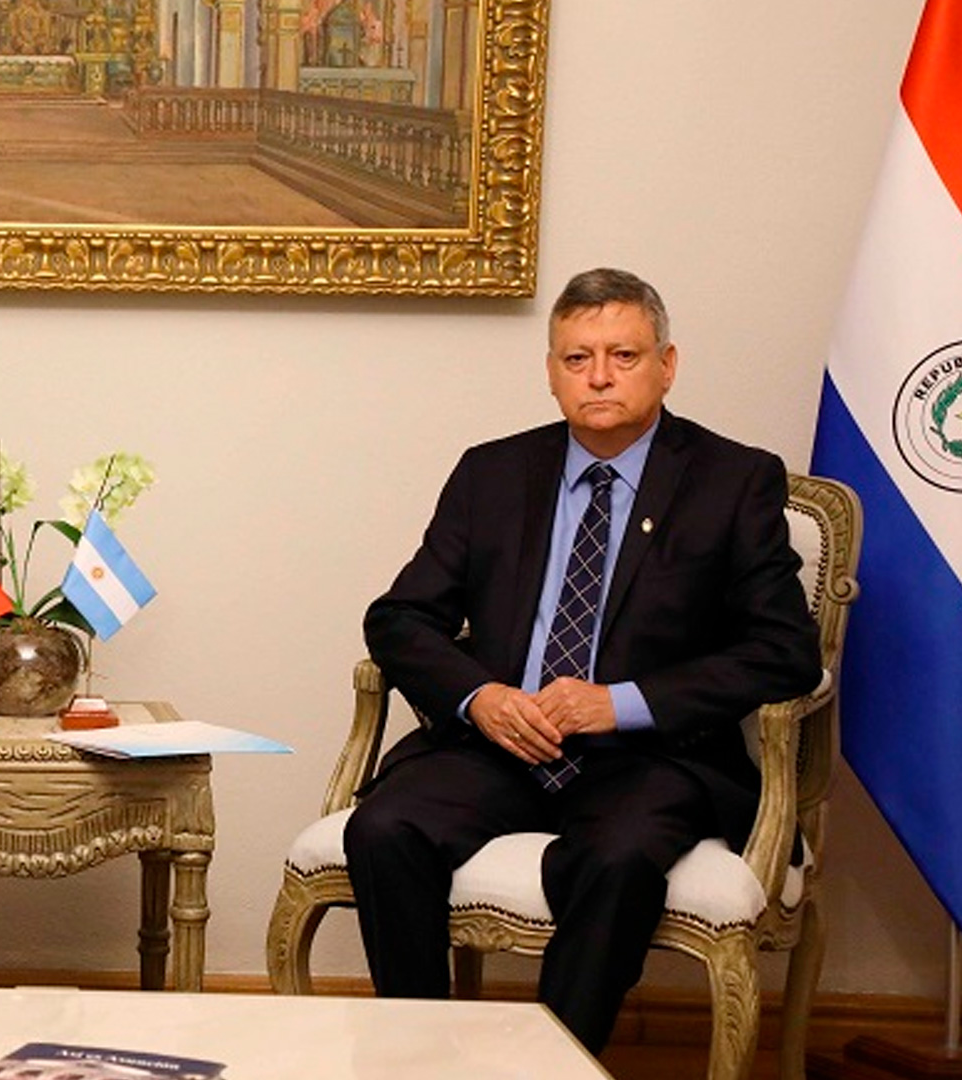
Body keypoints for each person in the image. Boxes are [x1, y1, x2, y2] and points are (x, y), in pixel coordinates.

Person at [346, 267, 821, 1051]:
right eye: (577, 358)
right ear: (551, 372)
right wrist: (482, 698)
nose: (599, 376)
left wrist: (619, 702)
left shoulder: (733, 480)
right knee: (386, 827)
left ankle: (556, 1065)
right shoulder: (493, 473)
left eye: (623, 356)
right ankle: (422, 1055)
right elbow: (398, 619)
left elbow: (784, 652)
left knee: (617, 858)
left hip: (652, 757)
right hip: (501, 744)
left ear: (667, 365)